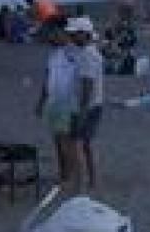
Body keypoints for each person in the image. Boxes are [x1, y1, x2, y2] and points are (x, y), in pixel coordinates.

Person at [34, 15, 81, 192]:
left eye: (50, 32)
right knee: (57, 142)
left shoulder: (73, 50)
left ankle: (71, 177)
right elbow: (48, 80)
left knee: (67, 142)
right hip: (54, 103)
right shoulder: (54, 53)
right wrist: (41, 102)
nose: (48, 37)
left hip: (67, 103)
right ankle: (63, 174)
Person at [68, 17, 104, 192]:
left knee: (77, 144)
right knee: (87, 144)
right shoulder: (88, 52)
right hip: (93, 104)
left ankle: (81, 183)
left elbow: (87, 85)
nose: (73, 37)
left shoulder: (88, 55)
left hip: (87, 106)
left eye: (75, 34)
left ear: (84, 33)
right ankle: (92, 180)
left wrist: (81, 111)